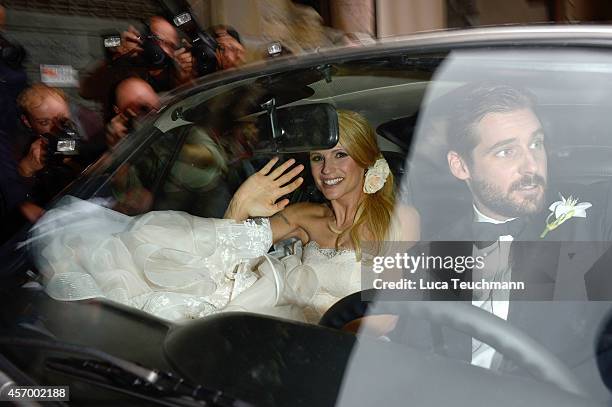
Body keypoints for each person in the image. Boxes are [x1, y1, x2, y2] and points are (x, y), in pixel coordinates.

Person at [32, 110, 420, 324]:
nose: (326, 168)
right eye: (318, 157)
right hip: (269, 321)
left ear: (368, 161)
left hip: (326, 342)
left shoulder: (399, 218)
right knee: (164, 247)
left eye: (340, 155)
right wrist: (240, 204)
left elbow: (386, 318)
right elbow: (224, 250)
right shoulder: (304, 215)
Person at [398, 83, 611, 394]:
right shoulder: (428, 255)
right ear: (461, 166)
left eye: (536, 144)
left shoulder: (593, 216)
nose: (532, 165)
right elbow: (412, 363)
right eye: (506, 151)